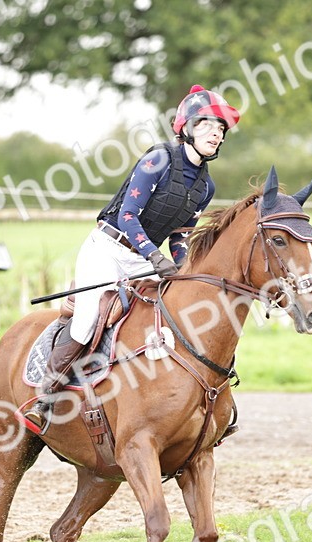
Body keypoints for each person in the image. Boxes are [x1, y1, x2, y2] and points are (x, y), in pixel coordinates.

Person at [24, 85, 241, 432]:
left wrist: (183, 267)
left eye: (221, 129)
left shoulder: (205, 187)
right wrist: (155, 257)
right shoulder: (158, 159)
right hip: (107, 249)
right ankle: (44, 396)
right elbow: (128, 216)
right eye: (208, 125)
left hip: (144, 259)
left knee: (180, 314)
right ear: (186, 127)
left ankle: (196, 402)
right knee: (86, 322)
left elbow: (181, 235)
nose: (216, 133)